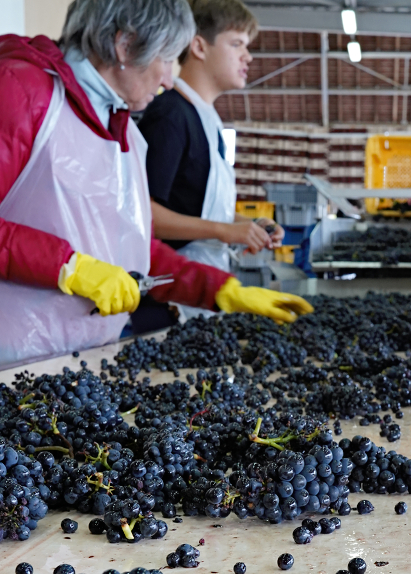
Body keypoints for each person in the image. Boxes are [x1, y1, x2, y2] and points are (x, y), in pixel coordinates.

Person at [0, 0, 311, 369]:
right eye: (166, 58)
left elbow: (130, 245)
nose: (168, 79)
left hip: (78, 364)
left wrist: (219, 289)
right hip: (10, 364)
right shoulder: (20, 91)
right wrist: (67, 267)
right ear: (125, 45)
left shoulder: (124, 129)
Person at [139, 0, 284, 275]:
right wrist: (223, 231)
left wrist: (250, 226)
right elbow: (145, 214)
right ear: (199, 47)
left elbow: (193, 207)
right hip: (166, 288)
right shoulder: (171, 115)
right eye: (236, 44)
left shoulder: (207, 120)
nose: (248, 56)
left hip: (201, 282)